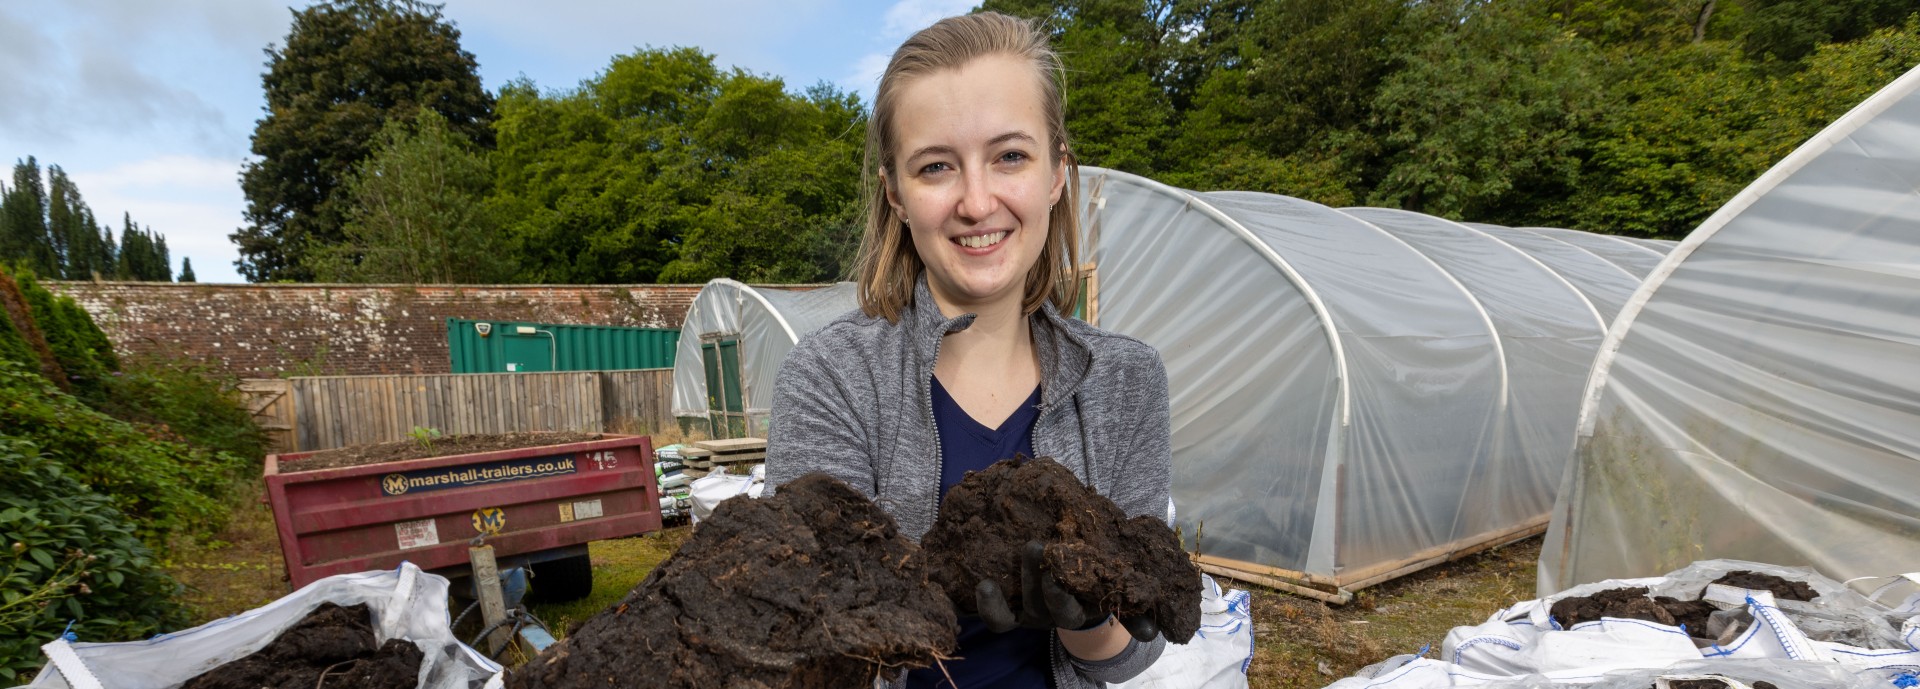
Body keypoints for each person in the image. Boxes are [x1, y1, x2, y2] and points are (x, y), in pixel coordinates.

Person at [764, 11, 1173, 689]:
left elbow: (1136, 646)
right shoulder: (833, 376)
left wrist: (1084, 614)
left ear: (1055, 174)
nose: (977, 202)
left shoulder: (1125, 380)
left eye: (1010, 155)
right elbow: (803, 644)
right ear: (896, 192)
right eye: (936, 167)